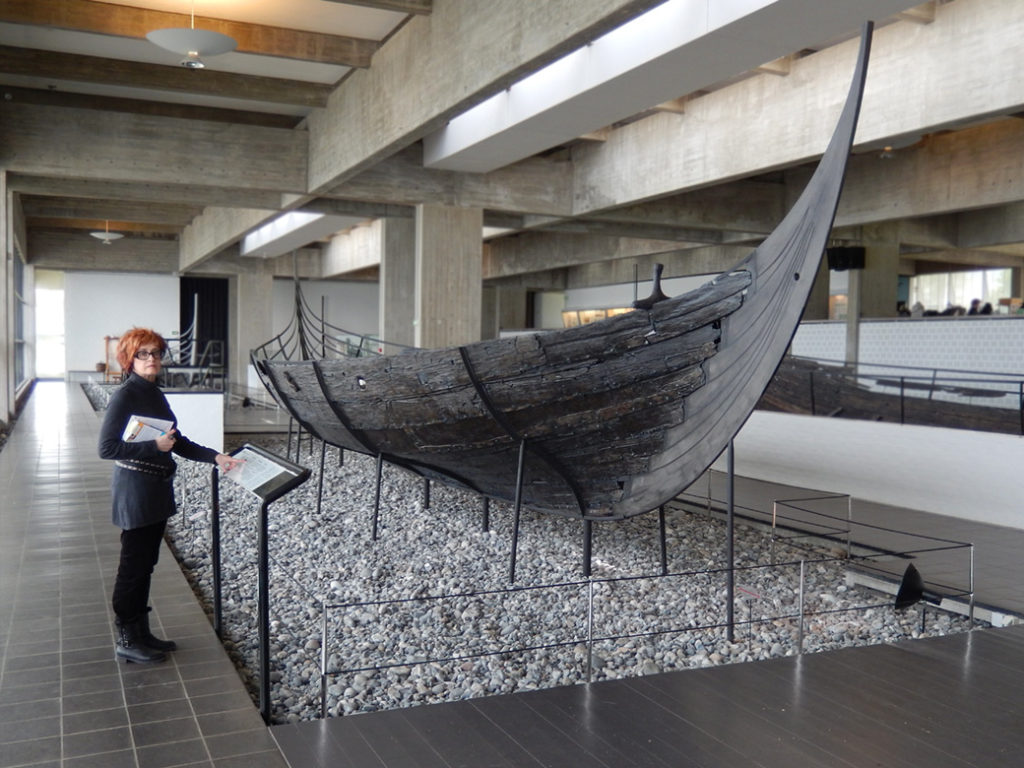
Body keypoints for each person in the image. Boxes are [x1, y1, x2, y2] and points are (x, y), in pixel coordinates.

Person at [98, 327, 242, 664]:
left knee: (146, 563)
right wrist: (154, 446)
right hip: (135, 490)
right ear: (129, 359)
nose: (152, 359)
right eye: (143, 354)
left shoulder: (152, 391)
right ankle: (126, 637)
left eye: (156, 353)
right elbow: (106, 448)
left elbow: (178, 442)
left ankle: (141, 632)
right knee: (133, 566)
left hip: (154, 488)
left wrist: (216, 457)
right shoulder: (126, 395)